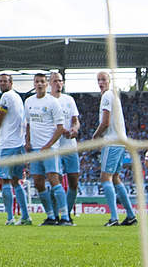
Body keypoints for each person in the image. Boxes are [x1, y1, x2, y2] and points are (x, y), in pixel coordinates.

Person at [92, 71, 137, 227]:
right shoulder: (114, 97)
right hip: (120, 141)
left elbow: (105, 121)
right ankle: (130, 215)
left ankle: (114, 218)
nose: (100, 82)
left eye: (103, 79)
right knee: (116, 178)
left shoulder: (106, 96)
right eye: (98, 80)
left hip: (112, 141)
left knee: (105, 178)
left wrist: (95, 136)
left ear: (109, 81)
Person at [24, 72, 68, 226]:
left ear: (47, 84)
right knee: (38, 182)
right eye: (37, 81)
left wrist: (48, 146)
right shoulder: (28, 102)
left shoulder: (53, 102)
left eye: (42, 81)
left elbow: (60, 128)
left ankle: (65, 217)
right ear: (34, 84)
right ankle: (50, 216)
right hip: (35, 149)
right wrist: (27, 141)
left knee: (54, 180)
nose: (40, 84)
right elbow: (28, 123)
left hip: (50, 149)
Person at [0, 73, 30, 225]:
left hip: (8, 144)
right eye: (0, 81)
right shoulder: (18, 98)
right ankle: (25, 217)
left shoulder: (6, 97)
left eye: (5, 81)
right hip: (19, 144)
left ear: (11, 83)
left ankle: (10, 218)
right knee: (17, 181)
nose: (2, 84)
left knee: (4, 180)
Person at [49, 70, 80, 222]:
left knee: (74, 182)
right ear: (50, 84)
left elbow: (75, 120)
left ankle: (66, 214)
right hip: (54, 148)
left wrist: (74, 129)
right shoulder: (47, 101)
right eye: (54, 81)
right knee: (56, 183)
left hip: (70, 146)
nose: (58, 83)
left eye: (60, 81)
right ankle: (55, 215)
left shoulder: (69, 100)